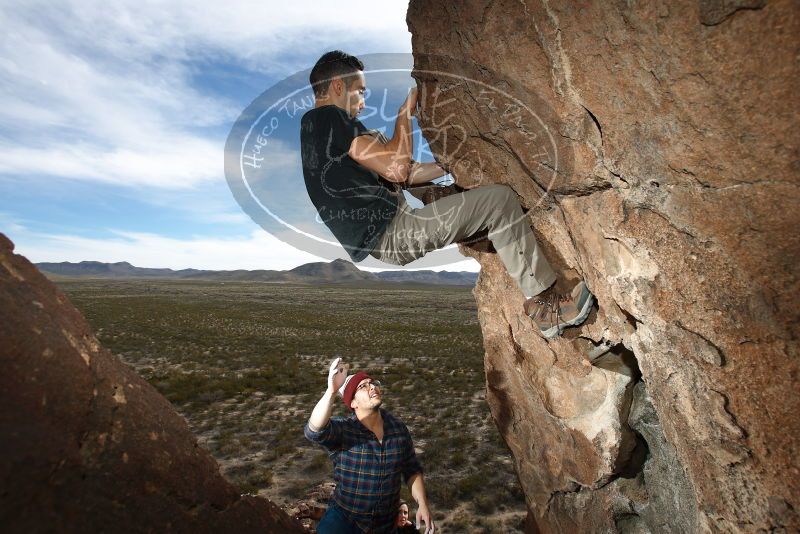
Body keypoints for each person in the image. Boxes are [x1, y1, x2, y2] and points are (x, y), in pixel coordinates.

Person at [300, 50, 594, 339]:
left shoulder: (319, 132)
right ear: (338, 86)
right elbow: (399, 170)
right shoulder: (328, 119)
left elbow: (408, 173)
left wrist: (449, 164)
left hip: (390, 232)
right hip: (394, 232)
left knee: (385, 146)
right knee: (500, 201)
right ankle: (546, 309)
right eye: (360, 92)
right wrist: (405, 115)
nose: (363, 102)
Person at [305, 357, 435, 534]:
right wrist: (331, 391)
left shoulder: (398, 429)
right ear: (353, 403)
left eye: (373, 383)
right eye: (363, 386)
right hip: (344, 523)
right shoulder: (344, 430)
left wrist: (422, 504)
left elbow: (412, 470)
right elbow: (314, 430)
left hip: (385, 527)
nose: (372, 387)